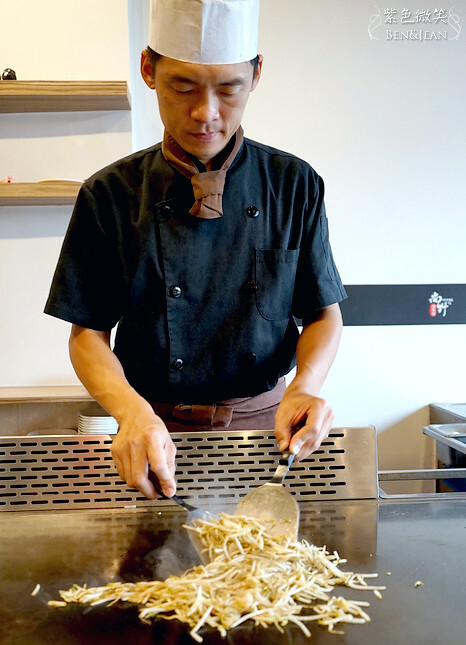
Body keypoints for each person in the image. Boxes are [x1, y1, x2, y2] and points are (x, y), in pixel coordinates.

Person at [45, 0, 346, 501]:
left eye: (228, 89)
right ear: (148, 69)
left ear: (256, 75)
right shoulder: (110, 194)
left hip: (269, 435)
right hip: (151, 435)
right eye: (183, 86)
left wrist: (305, 387)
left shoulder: (295, 184)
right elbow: (87, 334)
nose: (206, 113)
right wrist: (131, 412)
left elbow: (323, 314)